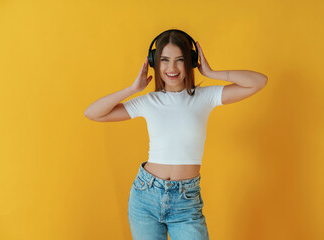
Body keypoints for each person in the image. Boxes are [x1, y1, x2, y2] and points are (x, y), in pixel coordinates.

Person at [84, 29, 268, 240]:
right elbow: (92, 113)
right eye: (164, 60)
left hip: (186, 201)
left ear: (190, 62)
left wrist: (212, 73)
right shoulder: (148, 102)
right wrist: (134, 88)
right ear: (155, 62)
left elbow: (258, 82)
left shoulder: (204, 97)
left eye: (180, 60)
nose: (171, 68)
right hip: (145, 196)